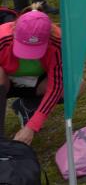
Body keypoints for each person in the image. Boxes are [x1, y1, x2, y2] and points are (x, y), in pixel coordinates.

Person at [0, 9, 64, 145]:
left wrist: (32, 126)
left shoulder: (58, 42)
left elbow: (56, 87)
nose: (28, 56)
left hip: (36, 83)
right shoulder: (2, 38)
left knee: (75, 86)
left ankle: (28, 107)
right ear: (14, 31)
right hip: (6, 81)